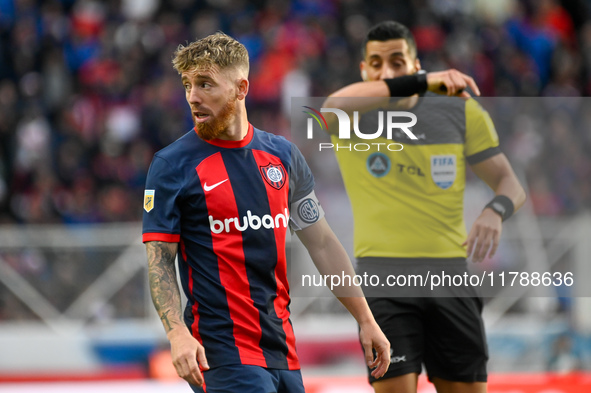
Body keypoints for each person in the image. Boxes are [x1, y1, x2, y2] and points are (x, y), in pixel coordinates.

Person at [142, 32, 390, 393]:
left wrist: (366, 319)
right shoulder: (171, 165)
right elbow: (160, 258)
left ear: (241, 88)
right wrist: (176, 333)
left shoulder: (283, 157)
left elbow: (321, 242)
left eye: (205, 84)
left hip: (282, 351)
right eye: (187, 84)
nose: (192, 96)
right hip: (220, 353)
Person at [322, 21, 527, 393]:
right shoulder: (353, 117)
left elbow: (510, 184)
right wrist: (421, 81)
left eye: (398, 62)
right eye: (377, 63)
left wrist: (495, 210)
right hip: (383, 278)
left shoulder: (460, 112)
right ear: (364, 71)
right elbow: (332, 104)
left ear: (415, 63)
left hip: (449, 274)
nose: (387, 71)